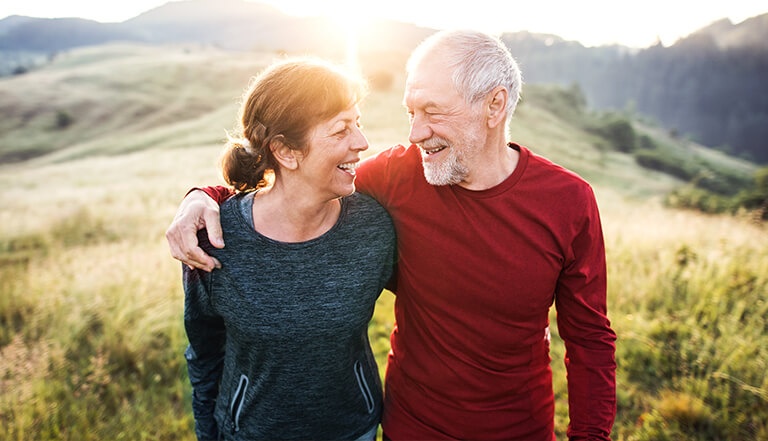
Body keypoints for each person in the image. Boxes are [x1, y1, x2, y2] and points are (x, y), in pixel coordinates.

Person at [167, 30, 617, 440]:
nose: (416, 133)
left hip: (520, 428)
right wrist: (203, 196)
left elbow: (590, 339)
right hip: (411, 426)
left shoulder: (569, 202)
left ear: (494, 106)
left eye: (433, 113)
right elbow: (299, 182)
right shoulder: (399, 175)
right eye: (411, 112)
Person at [178, 57, 396, 441]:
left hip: (353, 430)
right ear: (286, 151)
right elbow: (205, 352)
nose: (362, 143)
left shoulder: (373, 227)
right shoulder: (215, 238)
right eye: (341, 129)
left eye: (358, 123)